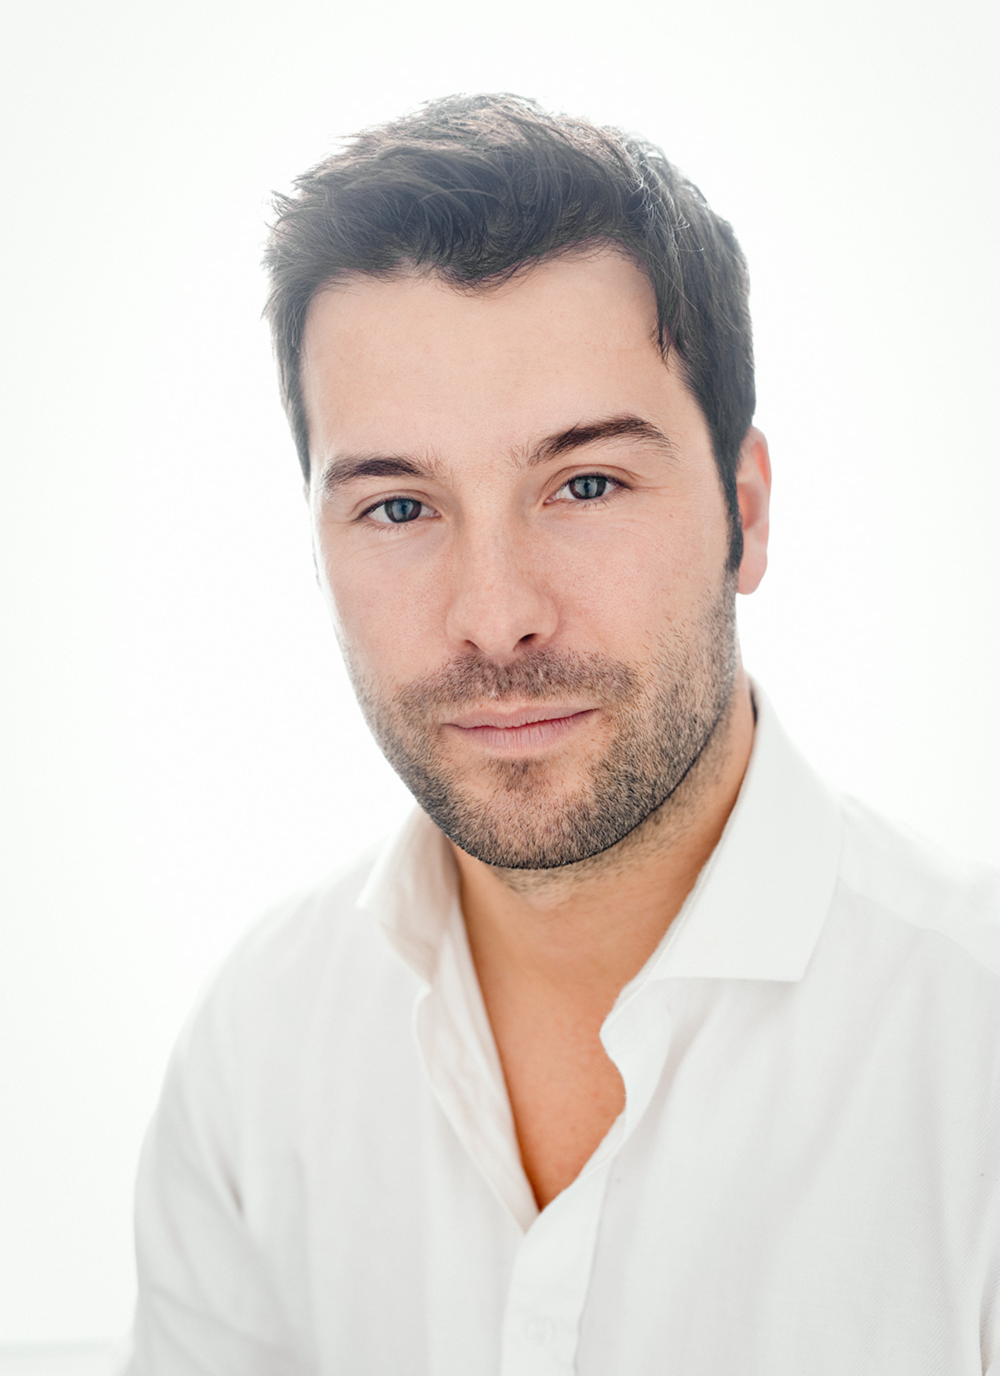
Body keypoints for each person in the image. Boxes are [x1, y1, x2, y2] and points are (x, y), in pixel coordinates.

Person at [123, 94, 1000, 1375]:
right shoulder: (259, 1050)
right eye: (398, 506)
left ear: (743, 515)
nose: (494, 617)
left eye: (584, 483)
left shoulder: (968, 1053)